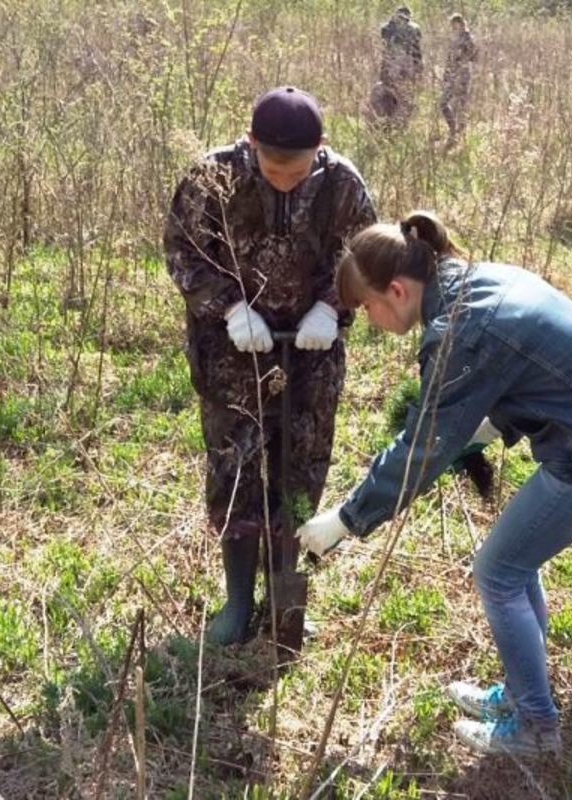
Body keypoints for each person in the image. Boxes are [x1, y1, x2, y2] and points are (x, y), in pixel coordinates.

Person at [296, 212, 572, 755]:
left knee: (498, 572)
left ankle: (537, 729)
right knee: (514, 563)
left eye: (367, 307)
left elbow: (422, 449)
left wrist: (346, 519)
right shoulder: (475, 281)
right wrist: (492, 422)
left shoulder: (461, 330)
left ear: (396, 290)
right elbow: (535, 366)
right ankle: (521, 695)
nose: (370, 319)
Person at [163, 86, 377, 646]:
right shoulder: (212, 178)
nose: (283, 178)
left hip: (312, 351)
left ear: (321, 149)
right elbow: (182, 253)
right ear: (250, 141)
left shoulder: (343, 185)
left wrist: (334, 307)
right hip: (231, 352)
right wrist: (231, 308)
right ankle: (237, 601)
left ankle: (286, 593)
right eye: (272, 165)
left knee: (301, 466)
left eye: (296, 169)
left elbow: (367, 258)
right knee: (235, 466)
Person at [378, 5, 423, 117]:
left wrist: (418, 66)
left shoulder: (412, 29)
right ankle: (390, 115)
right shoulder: (389, 28)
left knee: (404, 92)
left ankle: (402, 116)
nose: (402, 21)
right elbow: (385, 38)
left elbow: (416, 50)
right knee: (390, 90)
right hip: (393, 63)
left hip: (405, 64)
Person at [440, 13, 477, 147]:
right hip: (452, 75)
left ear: (460, 23)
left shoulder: (468, 38)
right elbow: (449, 59)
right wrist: (446, 74)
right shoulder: (454, 38)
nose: (453, 27)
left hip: (462, 75)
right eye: (452, 25)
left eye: (455, 24)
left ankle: (457, 135)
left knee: (460, 105)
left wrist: (461, 61)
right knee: (443, 103)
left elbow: (473, 56)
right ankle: (453, 130)